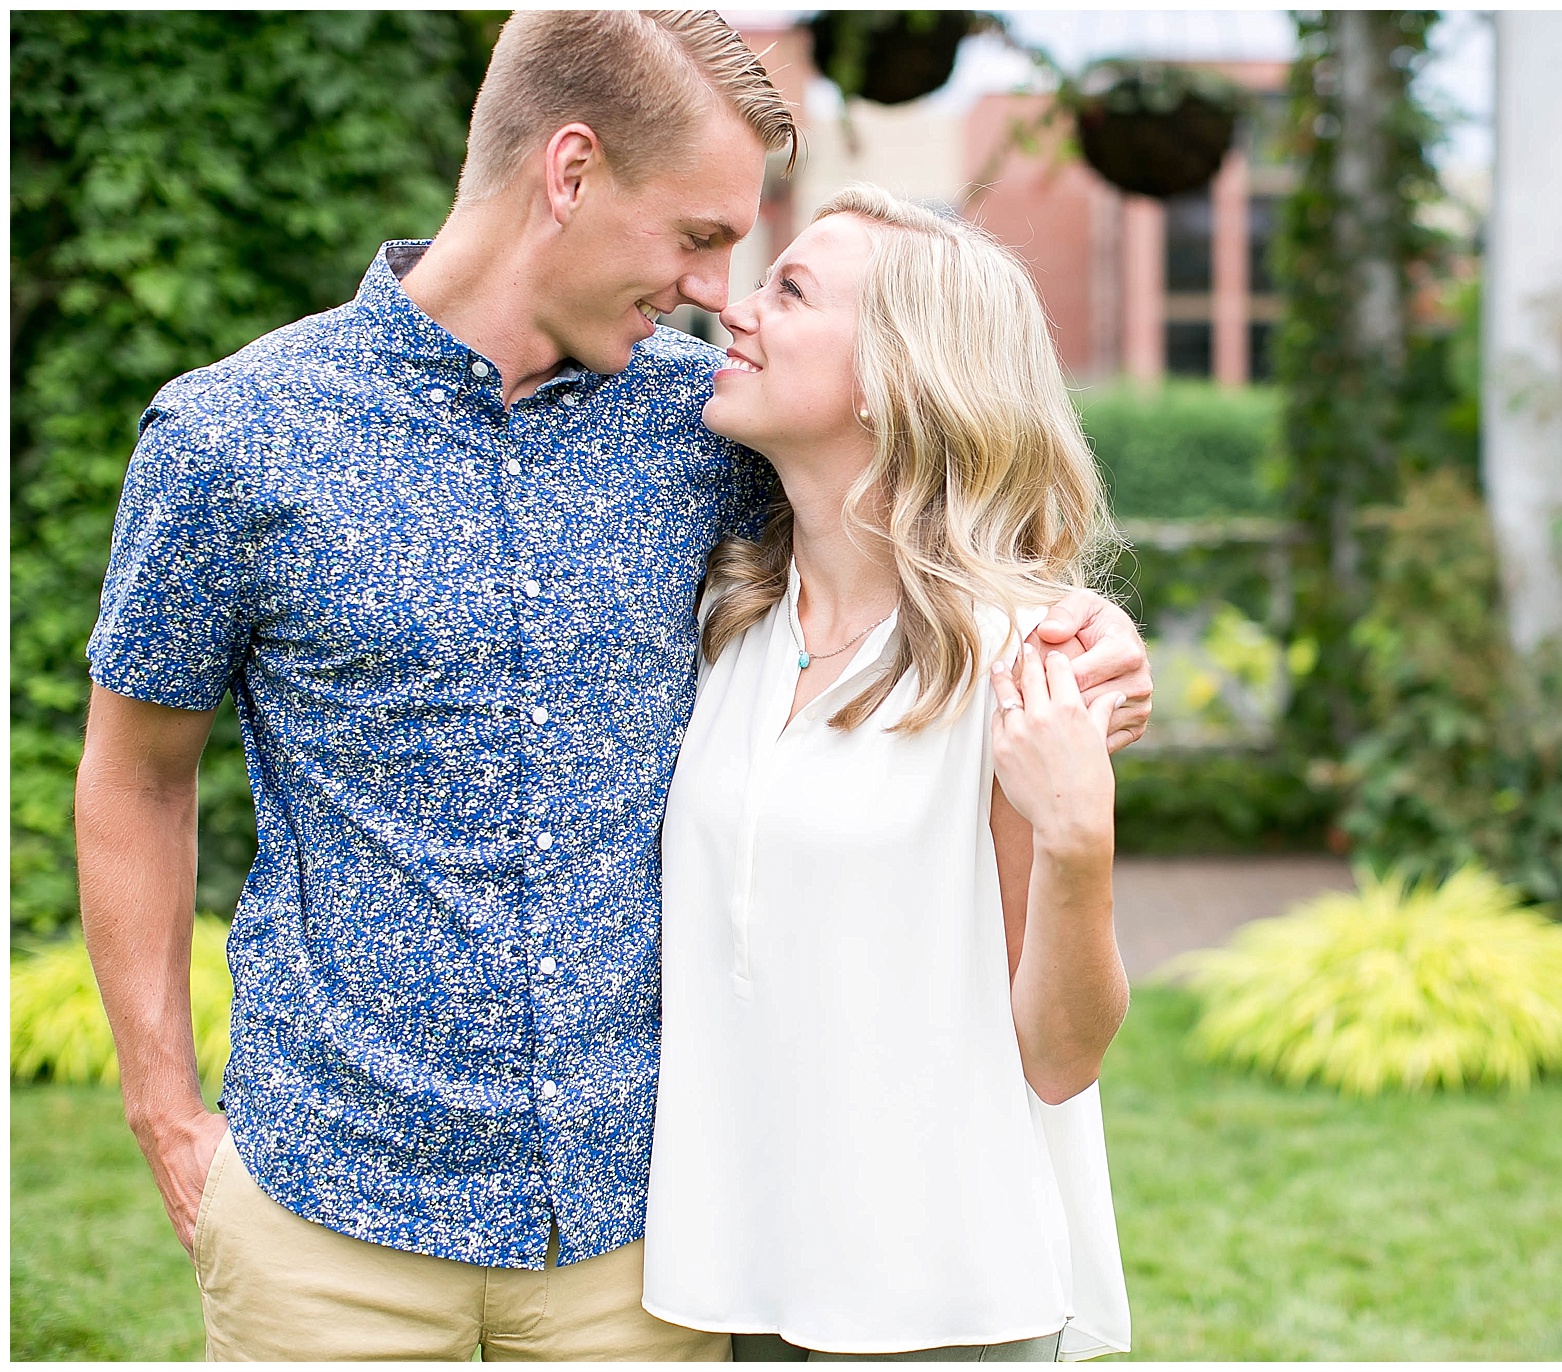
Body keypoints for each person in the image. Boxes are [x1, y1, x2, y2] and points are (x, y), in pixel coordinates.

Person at [73, 12, 1152, 1361]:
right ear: (570, 173)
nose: (717, 288)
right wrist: (163, 1111)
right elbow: (135, 771)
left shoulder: (710, 423)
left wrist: (1081, 634)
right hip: (323, 1206)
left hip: (642, 1240)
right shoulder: (233, 440)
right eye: (702, 236)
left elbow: (924, 514)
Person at [641, 186, 1132, 1363]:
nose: (733, 309)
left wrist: (1077, 842)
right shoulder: (725, 624)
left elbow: (1061, 1055)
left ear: (894, 378)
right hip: (734, 1287)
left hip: (939, 1302)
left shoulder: (1019, 657)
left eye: (789, 290)